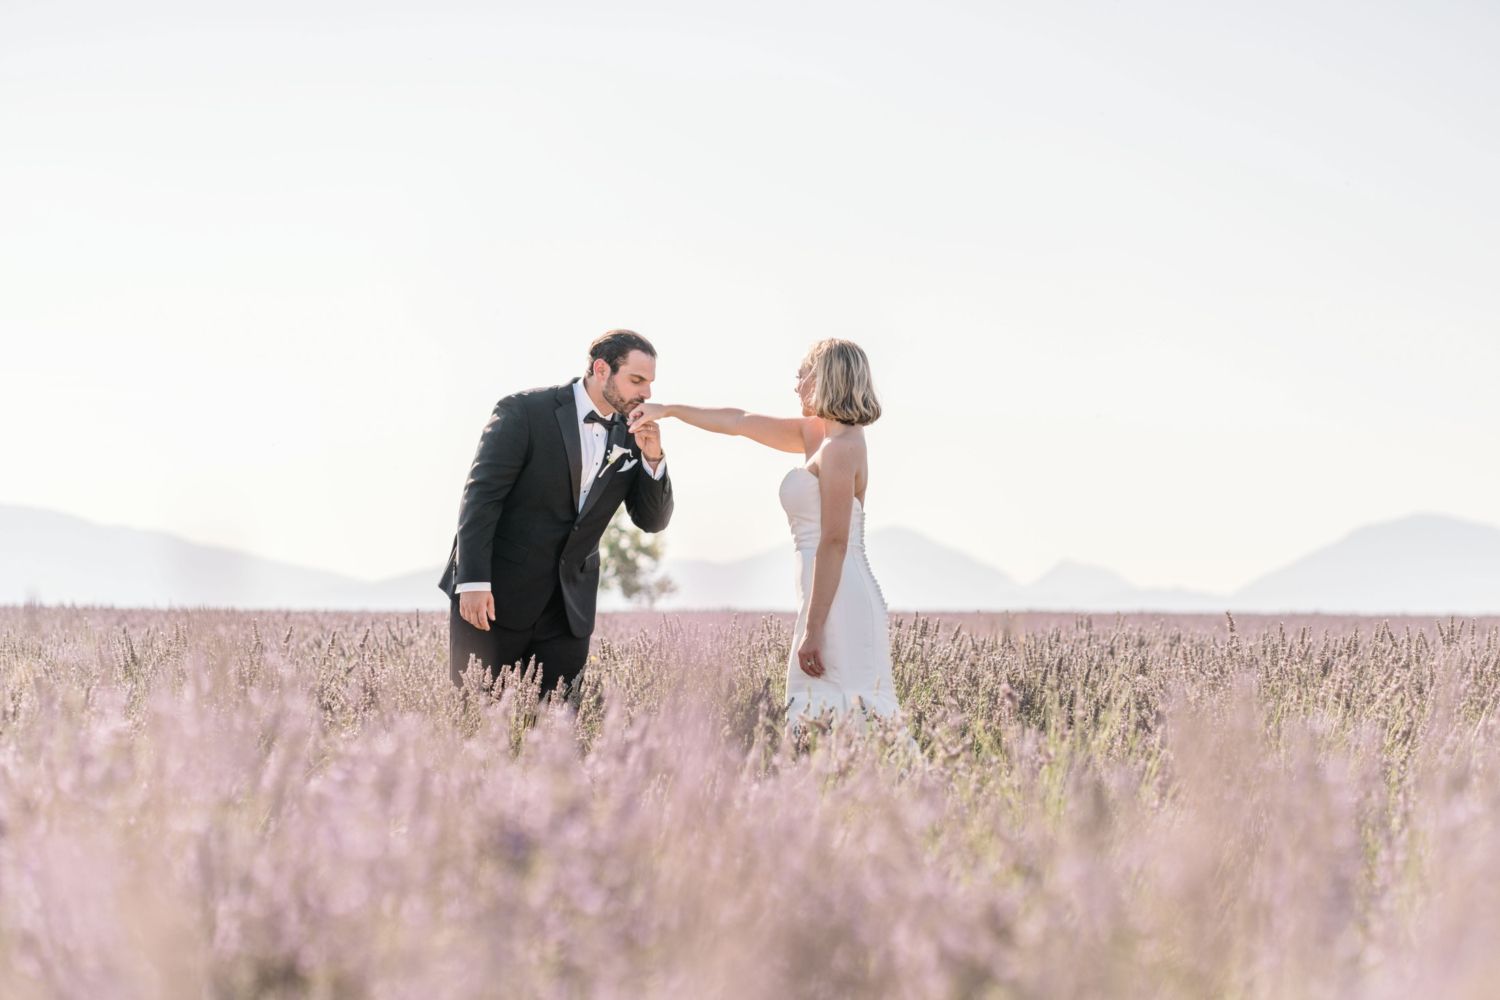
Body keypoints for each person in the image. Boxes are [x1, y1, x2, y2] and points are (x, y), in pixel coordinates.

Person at [628, 338, 898, 724]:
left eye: (802, 375)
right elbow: (738, 422)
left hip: (840, 599)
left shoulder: (841, 448)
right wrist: (668, 410)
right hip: (823, 597)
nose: (796, 386)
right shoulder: (819, 436)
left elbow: (835, 542)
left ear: (824, 379)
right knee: (819, 714)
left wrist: (814, 627)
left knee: (848, 713)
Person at [439, 330, 673, 695]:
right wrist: (471, 581)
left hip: (569, 612)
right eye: (636, 380)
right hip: (494, 599)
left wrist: (652, 457)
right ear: (601, 369)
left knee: (558, 732)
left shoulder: (633, 434)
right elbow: (481, 498)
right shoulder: (524, 411)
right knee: (475, 721)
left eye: (649, 383)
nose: (646, 393)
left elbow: (652, 520)